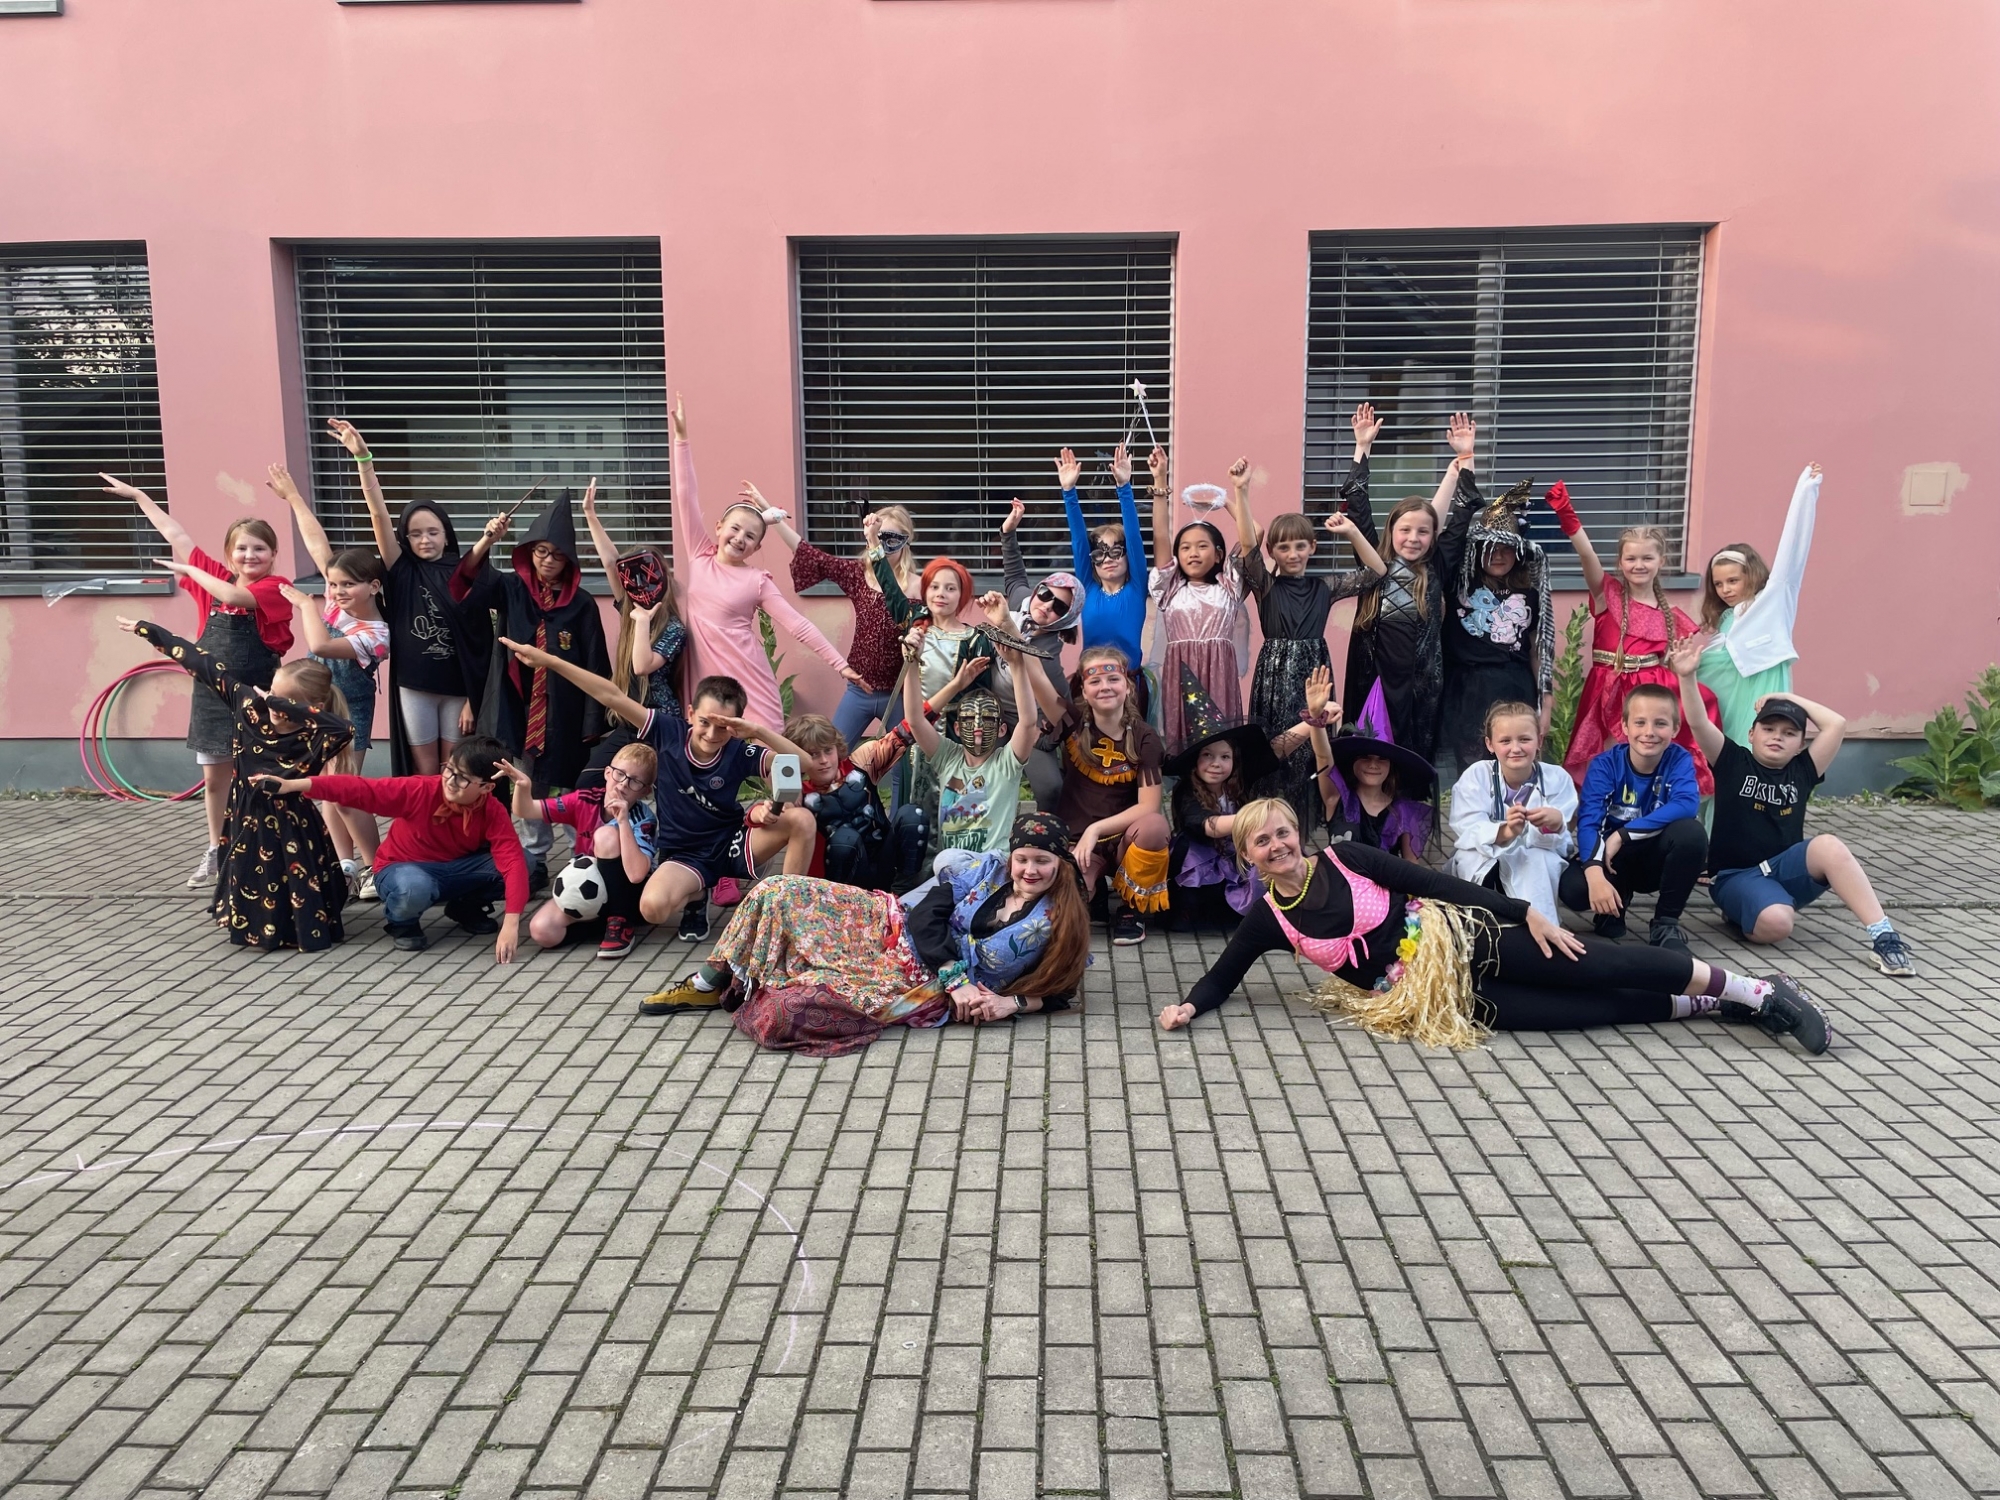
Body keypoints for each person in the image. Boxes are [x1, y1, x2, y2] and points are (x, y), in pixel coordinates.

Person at [1158, 798, 1831, 1054]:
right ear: (1248, 857)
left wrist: (1524, 912)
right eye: (1261, 842)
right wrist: (1189, 1006)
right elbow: (1224, 976)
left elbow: (1437, 884)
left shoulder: (1346, 857)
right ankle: (1709, 1004)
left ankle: (1757, 991)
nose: (1276, 845)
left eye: (1282, 832)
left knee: (1594, 965)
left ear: (1294, 832)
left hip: (1460, 940)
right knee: (1578, 1013)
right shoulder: (1268, 917)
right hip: (1434, 999)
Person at [638, 812, 1092, 1058]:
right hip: (888, 923)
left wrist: (1011, 1004)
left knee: (784, 1012)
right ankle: (707, 982)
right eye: (1023, 859)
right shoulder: (987, 871)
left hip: (915, 984)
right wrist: (958, 979)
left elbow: (1062, 990)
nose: (1030, 870)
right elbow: (925, 915)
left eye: (1043, 861)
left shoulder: (1062, 918)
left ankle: (766, 977)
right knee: (778, 890)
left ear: (1061, 862)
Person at [487, 642, 819, 950]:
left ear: (736, 724)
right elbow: (611, 695)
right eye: (705, 722)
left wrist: (758, 731)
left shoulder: (740, 750)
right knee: (652, 909)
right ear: (690, 713)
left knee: (802, 819)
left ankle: (787, 916)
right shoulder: (666, 731)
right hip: (685, 855)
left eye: (723, 726)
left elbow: (804, 764)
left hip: (733, 842)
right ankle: (696, 896)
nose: (712, 733)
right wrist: (549, 661)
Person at [1671, 638, 1917, 977]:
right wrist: (1686, 676)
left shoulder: (1802, 770)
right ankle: (1747, 910)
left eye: (1789, 733)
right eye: (1768, 728)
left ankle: (1884, 936)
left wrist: (1786, 697)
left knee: (1829, 846)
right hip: (1735, 876)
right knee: (1777, 924)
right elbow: (1699, 723)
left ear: (1801, 743)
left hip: (1784, 870)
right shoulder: (1732, 761)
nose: (1777, 736)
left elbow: (1836, 724)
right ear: (1751, 733)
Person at [102, 473, 293, 889]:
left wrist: (190, 569)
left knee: (259, 778)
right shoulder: (213, 579)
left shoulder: (276, 587)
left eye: (259, 548)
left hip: (258, 698)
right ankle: (216, 849)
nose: (249, 555)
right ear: (229, 555)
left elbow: (234, 597)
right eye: (241, 548)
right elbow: (176, 533)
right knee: (214, 779)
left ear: (274, 554)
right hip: (210, 697)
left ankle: (265, 849)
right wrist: (140, 496)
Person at [121, 618, 353, 952]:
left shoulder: (316, 734)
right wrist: (148, 630)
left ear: (310, 707)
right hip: (247, 814)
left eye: (286, 702)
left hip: (292, 821)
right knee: (254, 873)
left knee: (292, 874)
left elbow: (345, 729)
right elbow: (202, 663)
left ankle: (297, 929)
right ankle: (259, 929)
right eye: (273, 694)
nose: (274, 706)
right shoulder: (249, 707)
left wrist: (286, 707)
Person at [667, 394, 864, 733]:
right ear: (719, 528)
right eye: (734, 529)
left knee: (771, 750)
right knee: (706, 744)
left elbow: (798, 625)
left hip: (750, 679)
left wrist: (840, 664)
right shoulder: (699, 555)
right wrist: (681, 438)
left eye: (750, 536)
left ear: (757, 546)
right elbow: (686, 496)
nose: (739, 539)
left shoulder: (757, 581)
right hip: (704, 680)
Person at [451, 488, 612, 883]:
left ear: (570, 560)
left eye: (557, 554)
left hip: (566, 709)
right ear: (528, 552)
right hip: (519, 706)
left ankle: (582, 854)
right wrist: (487, 539)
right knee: (525, 780)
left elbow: (596, 662)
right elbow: (464, 585)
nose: (548, 561)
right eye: (541, 551)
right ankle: (535, 856)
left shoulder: (581, 604)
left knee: (572, 783)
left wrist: (594, 720)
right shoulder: (512, 591)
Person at [1242, 404, 1386, 827]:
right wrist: (1242, 492)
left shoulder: (1325, 587)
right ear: (1273, 551)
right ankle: (1267, 820)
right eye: (1283, 547)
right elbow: (1248, 548)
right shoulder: (1265, 585)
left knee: (1314, 745)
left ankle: (1307, 821)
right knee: (1276, 745)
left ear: (1312, 547)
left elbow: (1376, 571)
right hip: (1274, 670)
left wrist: (1352, 530)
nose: (1292, 553)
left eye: (1300, 545)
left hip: (1315, 670)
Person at [264, 734, 528, 963]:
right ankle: (402, 923)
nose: (450, 780)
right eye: (449, 769)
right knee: (414, 887)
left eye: (462, 779)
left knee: (525, 864)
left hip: (454, 869)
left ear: (486, 787)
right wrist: (294, 785)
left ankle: (465, 908)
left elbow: (512, 861)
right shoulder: (420, 789)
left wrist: (511, 924)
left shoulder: (492, 810)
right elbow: (359, 788)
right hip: (403, 869)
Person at [326, 418, 491, 781]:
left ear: (446, 534)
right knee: (425, 770)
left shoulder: (467, 573)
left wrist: (472, 698)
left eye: (433, 532)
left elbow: (481, 641)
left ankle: (454, 822)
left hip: (458, 689)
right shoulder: (400, 569)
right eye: (415, 534)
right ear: (405, 538)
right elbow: (377, 514)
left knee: (455, 769)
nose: (425, 540)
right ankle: (425, 820)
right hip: (414, 686)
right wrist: (363, 459)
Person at [265, 462, 391, 893]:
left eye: (346, 585)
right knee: (325, 791)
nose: (335, 592)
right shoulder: (338, 605)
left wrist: (306, 606)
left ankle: (377, 867)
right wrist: (294, 497)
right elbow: (319, 544)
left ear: (374, 586)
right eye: (333, 585)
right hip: (316, 708)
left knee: (346, 792)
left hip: (349, 712)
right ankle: (345, 864)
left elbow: (319, 645)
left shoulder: (376, 633)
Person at [1558, 494, 1718, 796]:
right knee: (1606, 754)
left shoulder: (1671, 617)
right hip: (1607, 687)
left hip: (1650, 690)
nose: (1639, 565)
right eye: (1631, 559)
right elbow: (1587, 556)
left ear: (1661, 561)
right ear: (1620, 562)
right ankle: (1604, 808)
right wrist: (1569, 518)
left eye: (1647, 558)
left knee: (1645, 753)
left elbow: (1676, 665)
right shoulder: (1606, 595)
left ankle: (1645, 805)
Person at [1429, 416, 1558, 766]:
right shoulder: (1458, 582)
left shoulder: (1531, 595)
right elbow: (1437, 531)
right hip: (1465, 689)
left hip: (1515, 688)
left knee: (1513, 766)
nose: (1497, 555)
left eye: (1505, 549)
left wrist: (1545, 705)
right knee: (1471, 769)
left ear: (1518, 552)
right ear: (1475, 551)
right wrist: (1465, 458)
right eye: (1489, 549)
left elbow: (1538, 652)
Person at [1023, 644, 1170, 946]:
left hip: (1125, 841)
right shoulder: (1072, 721)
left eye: (1113, 679)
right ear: (1084, 691)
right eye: (1095, 681)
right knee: (1071, 903)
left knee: (1155, 828)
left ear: (1128, 687)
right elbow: (1036, 677)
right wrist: (1012, 631)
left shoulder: (1145, 737)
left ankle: (1131, 908)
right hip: (1079, 844)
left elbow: (1149, 806)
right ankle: (1096, 897)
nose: (1105, 687)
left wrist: (1096, 829)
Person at [760, 491, 921, 745]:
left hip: (899, 693)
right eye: (877, 537)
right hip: (860, 689)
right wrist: (772, 515)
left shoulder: (919, 587)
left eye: (891, 538)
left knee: (904, 760)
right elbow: (809, 554)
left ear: (906, 541)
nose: (883, 546)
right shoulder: (858, 574)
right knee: (833, 750)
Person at [1561, 683, 1708, 951]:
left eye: (1660, 723)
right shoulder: (1605, 764)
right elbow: (1589, 822)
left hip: (1655, 858)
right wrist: (1594, 874)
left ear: (1675, 729)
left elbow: (1687, 804)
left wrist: (1623, 834)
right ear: (1625, 726)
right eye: (1640, 722)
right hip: (1614, 860)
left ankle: (1665, 924)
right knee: (1574, 889)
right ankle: (1613, 907)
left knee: (1692, 834)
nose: (1649, 732)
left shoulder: (1679, 759)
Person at [1336, 435, 1451, 765]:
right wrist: (1362, 446)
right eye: (1405, 530)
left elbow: (1446, 524)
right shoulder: (1374, 563)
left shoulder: (1435, 569)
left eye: (1422, 532)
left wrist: (1459, 466)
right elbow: (1358, 506)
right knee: (1369, 752)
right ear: (1391, 530)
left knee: (1410, 760)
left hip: (1418, 690)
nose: (1413, 538)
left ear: (1432, 537)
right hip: (1373, 681)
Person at [499, 740, 659, 959]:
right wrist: (523, 787)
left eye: (635, 782)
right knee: (543, 931)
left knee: (605, 835)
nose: (623, 785)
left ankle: (621, 922)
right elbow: (525, 810)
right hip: (590, 891)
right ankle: (603, 925)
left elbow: (637, 874)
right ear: (607, 773)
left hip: (630, 895)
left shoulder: (643, 819)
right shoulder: (585, 800)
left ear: (646, 791)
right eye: (619, 774)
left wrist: (622, 822)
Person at [1698, 464, 1822, 744]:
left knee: (1753, 746)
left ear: (1751, 575)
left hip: (1757, 689)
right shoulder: (1728, 617)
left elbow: (1793, 549)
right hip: (1724, 694)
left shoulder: (1772, 601)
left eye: (1733, 581)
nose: (1725, 589)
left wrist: (1806, 490)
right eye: (1718, 584)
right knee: (1719, 748)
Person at [905, 620, 1039, 854]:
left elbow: (1027, 722)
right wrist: (912, 661)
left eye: (987, 719)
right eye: (969, 719)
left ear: (1002, 730)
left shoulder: (1006, 763)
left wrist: (1016, 664)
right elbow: (915, 720)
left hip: (991, 865)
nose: (977, 726)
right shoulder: (948, 757)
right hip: (951, 867)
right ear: (957, 728)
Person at [1164, 664, 1282, 929]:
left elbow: (1277, 750)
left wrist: (1313, 722)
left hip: (1237, 861)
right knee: (1188, 851)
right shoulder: (1186, 791)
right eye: (1207, 755)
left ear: (1234, 762)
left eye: (1224, 757)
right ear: (1195, 762)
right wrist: (1254, 817)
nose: (1216, 763)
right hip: (1201, 864)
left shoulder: (1237, 782)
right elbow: (1207, 825)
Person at [1150, 455, 1255, 752]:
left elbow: (1254, 537)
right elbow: (1160, 535)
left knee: (1219, 741)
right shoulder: (1169, 587)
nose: (1192, 552)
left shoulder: (1230, 585)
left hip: (1220, 671)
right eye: (1185, 547)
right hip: (1181, 671)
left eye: (1202, 546)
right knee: (1184, 745)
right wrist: (1160, 480)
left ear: (1219, 555)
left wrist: (1235, 495)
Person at [1447, 701, 1578, 925]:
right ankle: (1480, 926)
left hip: (1536, 858)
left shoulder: (1557, 778)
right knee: (1474, 859)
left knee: (1538, 861)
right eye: (1505, 741)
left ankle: (1541, 929)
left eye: (1524, 739)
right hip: (1485, 858)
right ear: (1490, 744)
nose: (1515, 748)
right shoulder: (1476, 776)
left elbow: (1561, 844)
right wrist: (1506, 831)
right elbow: (1467, 827)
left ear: (1539, 741)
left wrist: (1555, 825)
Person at [1061, 442, 1165, 718]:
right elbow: (1078, 540)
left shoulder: (1136, 587)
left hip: (1129, 686)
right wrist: (1069, 491)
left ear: (1127, 556)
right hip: (1092, 683)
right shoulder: (1087, 588)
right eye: (1099, 553)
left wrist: (1124, 487)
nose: (1108, 559)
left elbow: (1134, 537)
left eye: (1116, 551)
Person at [997, 496, 1085, 808]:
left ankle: (1051, 832)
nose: (1046, 606)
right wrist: (1008, 531)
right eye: (1046, 594)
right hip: (991, 714)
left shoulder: (1048, 653)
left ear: (1065, 619)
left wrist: (1047, 734)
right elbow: (1015, 573)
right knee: (981, 779)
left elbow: (1065, 707)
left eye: (1059, 607)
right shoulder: (1019, 603)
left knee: (1051, 789)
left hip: (1027, 721)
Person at [579, 478, 686, 733]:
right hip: (630, 717)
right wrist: (590, 515)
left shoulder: (674, 628)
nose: (640, 585)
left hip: (659, 720)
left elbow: (641, 666)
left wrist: (642, 622)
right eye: (632, 579)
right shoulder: (631, 611)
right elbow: (610, 563)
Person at [785, 711, 927, 891]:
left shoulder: (862, 763)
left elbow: (909, 728)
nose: (824, 760)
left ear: (836, 747)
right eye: (813, 754)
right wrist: (778, 801)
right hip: (845, 884)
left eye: (828, 750)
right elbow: (759, 819)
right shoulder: (798, 796)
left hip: (887, 862)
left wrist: (950, 693)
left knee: (912, 815)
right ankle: (847, 903)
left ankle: (903, 895)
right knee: (845, 837)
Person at [1312, 679, 1435, 862]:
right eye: (1365, 757)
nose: (1373, 764)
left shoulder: (1402, 812)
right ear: (1353, 761)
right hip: (1337, 880)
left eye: (1381, 758)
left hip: (1383, 881)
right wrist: (1317, 721)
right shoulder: (1337, 798)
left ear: (1391, 765)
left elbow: (1412, 869)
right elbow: (1323, 757)